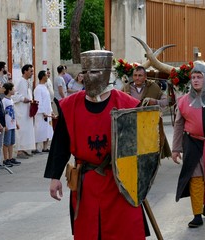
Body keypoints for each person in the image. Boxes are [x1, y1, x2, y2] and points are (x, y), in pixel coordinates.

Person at [44, 50, 148, 239]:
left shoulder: (127, 104)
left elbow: (141, 148)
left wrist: (140, 182)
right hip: (87, 182)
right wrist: (54, 176)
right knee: (89, 232)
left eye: (96, 72)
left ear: (107, 72)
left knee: (124, 231)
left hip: (120, 183)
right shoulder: (70, 105)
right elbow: (60, 144)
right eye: (86, 72)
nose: (89, 77)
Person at [172, 63, 205, 228]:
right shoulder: (183, 101)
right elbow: (178, 126)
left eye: (199, 77)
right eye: (193, 77)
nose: (195, 80)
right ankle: (197, 214)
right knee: (196, 178)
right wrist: (175, 149)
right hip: (192, 144)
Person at [124, 65, 171, 159]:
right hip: (132, 126)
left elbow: (167, 101)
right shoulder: (126, 88)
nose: (137, 78)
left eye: (140, 75)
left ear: (145, 77)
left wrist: (155, 102)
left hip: (149, 126)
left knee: (149, 153)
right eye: (135, 75)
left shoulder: (153, 87)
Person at [12, 64, 35, 159]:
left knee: (26, 130)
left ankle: (24, 148)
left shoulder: (27, 81)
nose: (32, 73)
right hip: (20, 110)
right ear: (25, 71)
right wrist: (22, 99)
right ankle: (19, 150)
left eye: (32, 71)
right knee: (21, 130)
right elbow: (13, 94)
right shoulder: (19, 81)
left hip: (27, 109)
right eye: (31, 71)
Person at [33, 70, 53, 152]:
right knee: (39, 129)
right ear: (42, 77)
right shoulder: (38, 88)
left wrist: (50, 110)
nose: (47, 76)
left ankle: (45, 147)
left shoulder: (45, 87)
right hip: (41, 113)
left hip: (47, 111)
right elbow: (38, 101)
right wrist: (42, 111)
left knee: (47, 129)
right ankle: (36, 147)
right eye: (46, 75)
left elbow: (48, 100)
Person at [2, 82, 21, 167]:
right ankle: (5, 159)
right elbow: (3, 114)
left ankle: (10, 158)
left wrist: (16, 123)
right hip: (8, 124)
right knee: (6, 142)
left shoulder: (11, 100)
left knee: (12, 142)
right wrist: (4, 125)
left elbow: (13, 113)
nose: (14, 90)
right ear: (9, 90)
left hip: (12, 123)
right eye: (13, 89)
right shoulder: (4, 101)